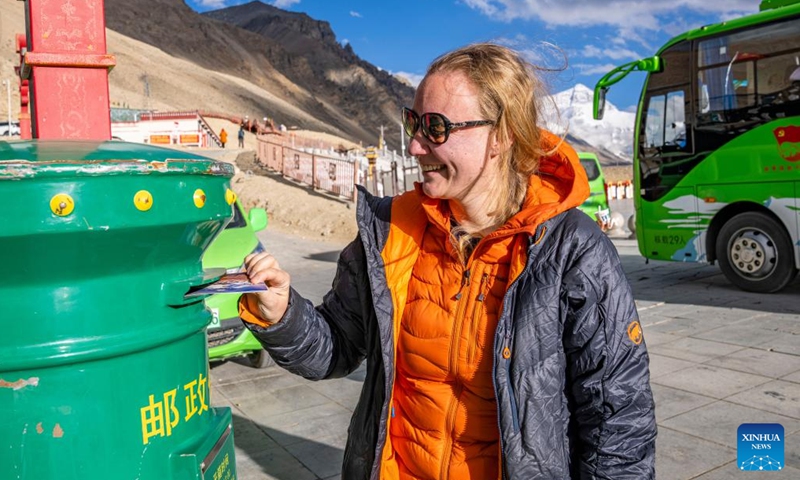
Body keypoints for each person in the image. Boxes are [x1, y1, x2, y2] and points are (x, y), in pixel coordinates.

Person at [239, 43, 656, 479]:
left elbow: (617, 422)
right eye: (413, 123)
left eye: (435, 128)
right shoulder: (389, 232)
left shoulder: (573, 251)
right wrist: (282, 313)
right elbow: (335, 350)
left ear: (502, 135)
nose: (416, 147)